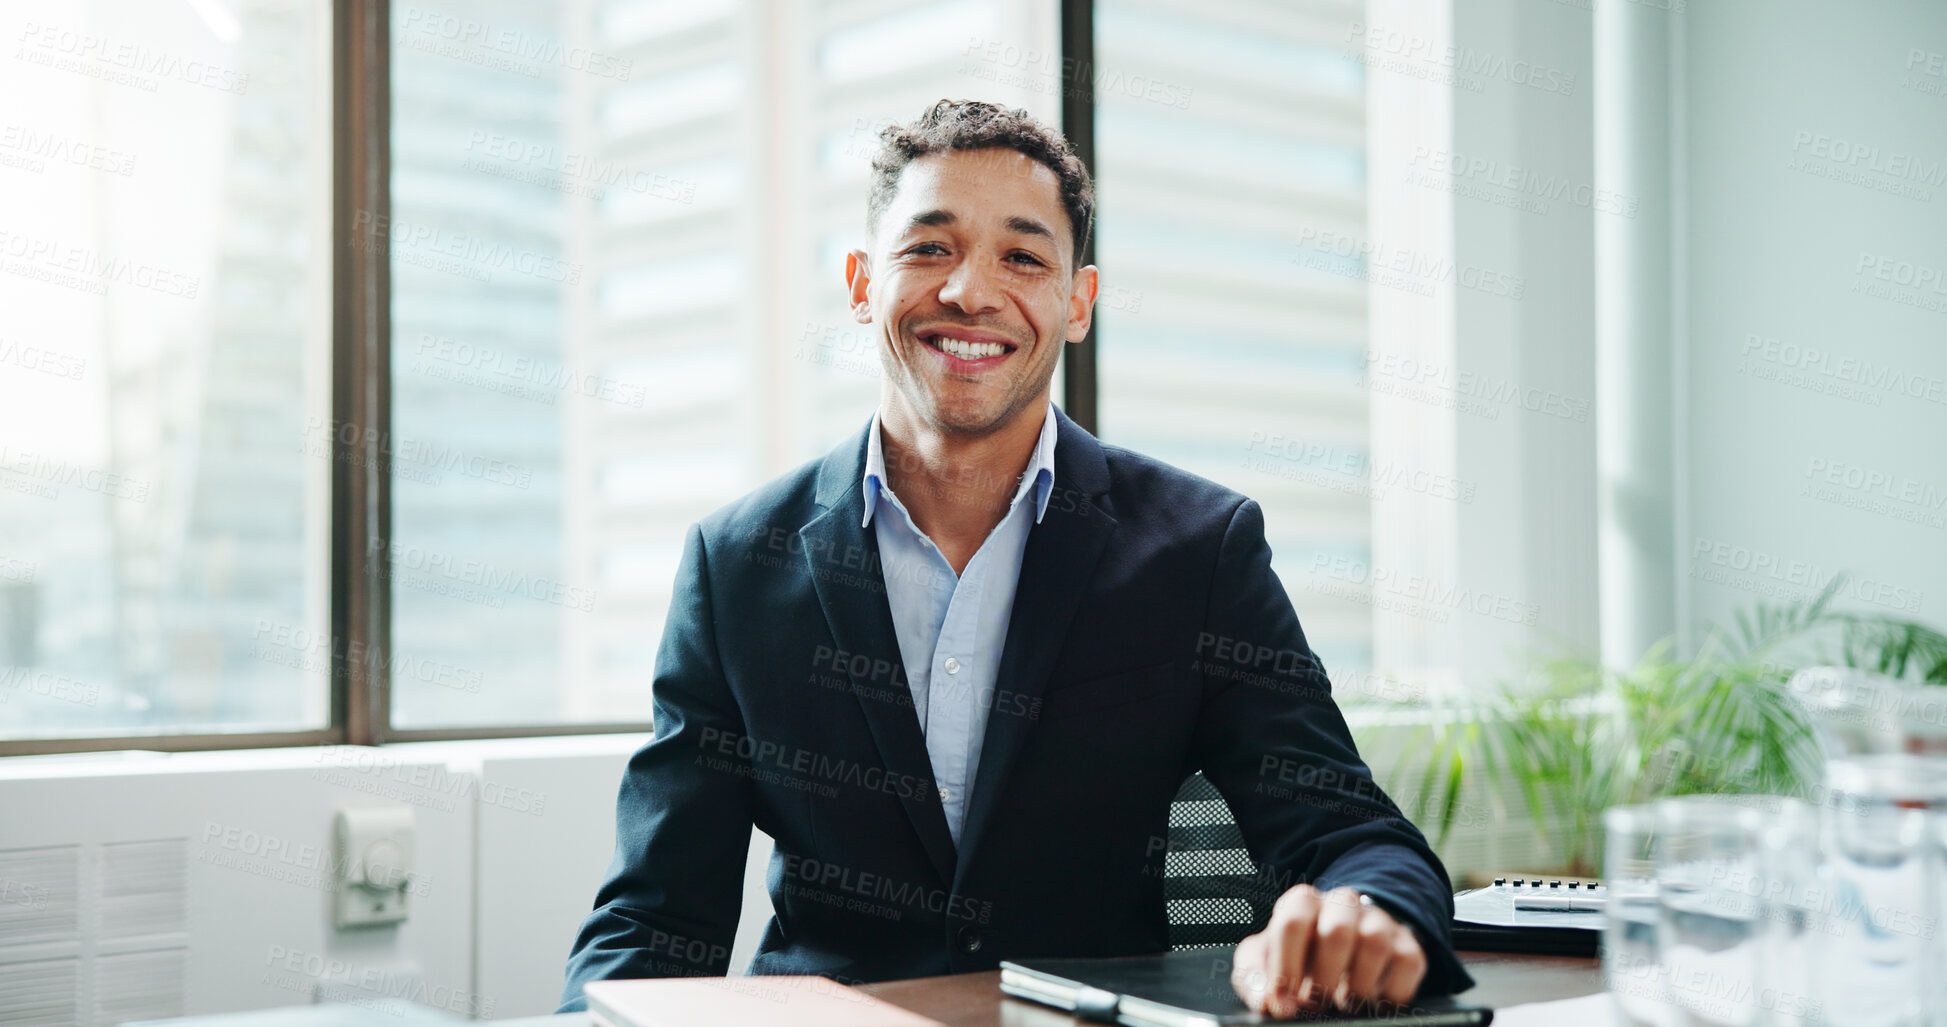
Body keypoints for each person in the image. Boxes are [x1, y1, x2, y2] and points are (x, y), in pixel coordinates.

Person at [559, 99, 1472, 1018]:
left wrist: (1366, 907)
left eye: (1023, 258)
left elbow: (1349, 829)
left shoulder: (1198, 550)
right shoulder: (735, 564)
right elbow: (656, 914)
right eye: (928, 248)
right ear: (859, 283)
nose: (969, 292)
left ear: (1076, 304)